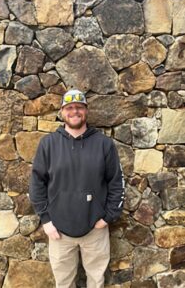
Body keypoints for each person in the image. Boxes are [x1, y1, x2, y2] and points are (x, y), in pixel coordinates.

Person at [29, 89, 124, 288]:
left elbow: (116, 182)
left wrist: (107, 217)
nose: (75, 112)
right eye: (69, 108)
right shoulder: (48, 144)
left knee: (96, 282)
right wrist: (46, 220)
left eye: (79, 107)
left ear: (86, 111)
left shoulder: (104, 144)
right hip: (59, 231)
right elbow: (37, 183)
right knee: (64, 283)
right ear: (62, 112)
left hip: (95, 229)